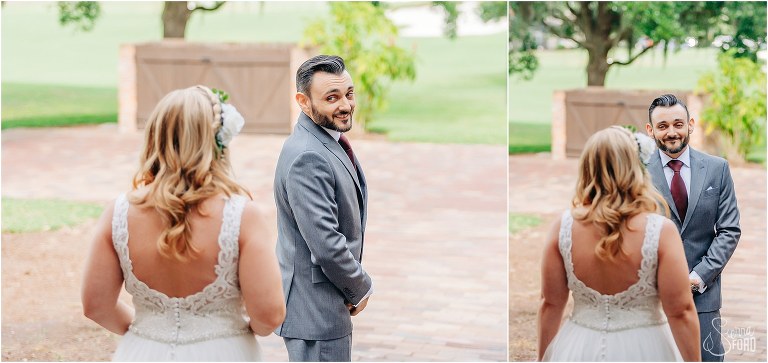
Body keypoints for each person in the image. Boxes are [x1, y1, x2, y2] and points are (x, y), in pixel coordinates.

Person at [81, 85, 285, 361]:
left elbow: (96, 306)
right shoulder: (243, 216)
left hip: (143, 352)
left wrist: (149, 332)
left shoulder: (118, 213)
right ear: (217, 141)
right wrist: (230, 332)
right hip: (224, 352)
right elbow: (269, 315)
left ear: (155, 135)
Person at [538, 126, 701, 361]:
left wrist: (542, 357)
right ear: (636, 167)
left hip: (580, 347)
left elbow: (550, 304)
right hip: (645, 348)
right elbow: (681, 311)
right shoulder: (660, 231)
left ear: (587, 167)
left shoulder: (562, 227)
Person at [273, 55, 373, 362]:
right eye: (332, 98)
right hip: (316, 310)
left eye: (349, 94)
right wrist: (360, 286)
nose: (345, 105)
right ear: (304, 102)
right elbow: (326, 243)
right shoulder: (308, 156)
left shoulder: (324, 140)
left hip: (320, 305)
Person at [645, 94, 741, 361]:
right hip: (651, 298)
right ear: (650, 130)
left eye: (678, 123)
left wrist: (698, 277)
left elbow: (729, 230)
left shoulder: (716, 169)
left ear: (690, 124)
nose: (672, 132)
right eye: (663, 126)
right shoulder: (636, 173)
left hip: (704, 297)